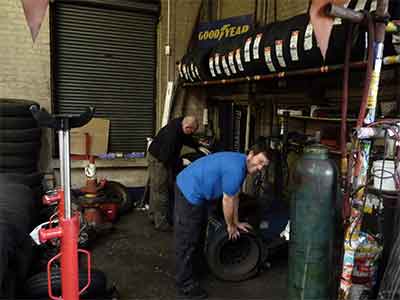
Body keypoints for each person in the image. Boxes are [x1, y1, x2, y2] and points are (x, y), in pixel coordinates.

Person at [174, 143, 271, 299]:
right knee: (187, 238)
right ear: (251, 154)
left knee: (199, 232)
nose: (260, 168)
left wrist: (237, 221)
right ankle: (185, 284)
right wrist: (230, 226)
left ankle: (196, 269)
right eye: (259, 162)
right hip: (189, 191)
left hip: (199, 192)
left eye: (263, 166)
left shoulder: (242, 164)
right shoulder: (236, 169)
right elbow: (227, 200)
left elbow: (235, 195)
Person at [147, 116, 202, 231]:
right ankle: (161, 223)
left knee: (156, 189)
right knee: (161, 190)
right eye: (192, 131)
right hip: (159, 160)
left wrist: (198, 146)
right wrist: (182, 161)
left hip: (160, 155)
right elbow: (165, 158)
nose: (191, 134)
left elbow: (186, 138)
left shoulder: (181, 123)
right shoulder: (171, 136)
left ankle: (153, 216)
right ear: (187, 127)